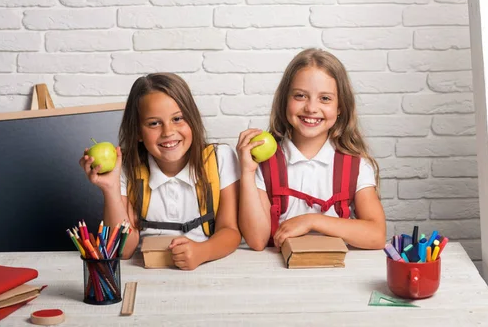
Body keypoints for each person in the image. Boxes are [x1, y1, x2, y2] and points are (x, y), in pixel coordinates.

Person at [80, 73, 241, 270]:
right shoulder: (126, 168)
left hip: (207, 267)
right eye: (154, 123)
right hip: (142, 272)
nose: (168, 132)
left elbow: (230, 231)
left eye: (178, 119)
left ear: (192, 119)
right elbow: (123, 251)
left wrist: (202, 252)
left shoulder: (219, 158)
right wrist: (110, 189)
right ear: (138, 131)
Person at [237, 48, 386, 251]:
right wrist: (247, 172)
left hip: (336, 273)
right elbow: (257, 240)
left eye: (325, 98)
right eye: (300, 96)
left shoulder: (355, 165)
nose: (311, 108)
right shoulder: (263, 164)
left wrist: (311, 221)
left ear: (340, 107)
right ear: (284, 101)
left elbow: (376, 235)